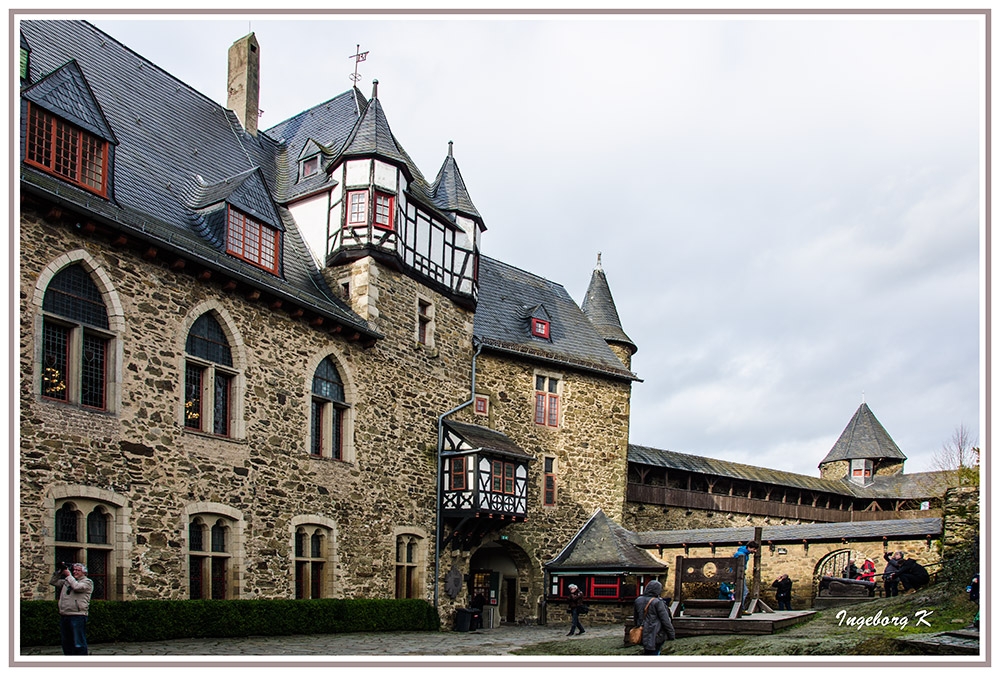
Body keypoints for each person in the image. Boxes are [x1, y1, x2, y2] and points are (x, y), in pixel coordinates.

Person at [49, 562, 94, 655]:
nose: (75, 572)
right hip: (65, 614)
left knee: (78, 642)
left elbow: (77, 587)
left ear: (84, 573)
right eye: (74, 570)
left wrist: (68, 575)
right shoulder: (67, 582)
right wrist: (59, 572)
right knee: (66, 642)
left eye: (78, 570)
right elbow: (53, 582)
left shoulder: (87, 582)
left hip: (78, 615)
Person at [633, 580, 675, 655]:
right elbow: (665, 620)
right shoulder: (657, 602)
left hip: (643, 632)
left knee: (647, 652)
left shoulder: (638, 600)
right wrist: (671, 634)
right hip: (656, 633)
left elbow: (636, 617)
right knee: (654, 653)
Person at [732, 541, 758, 606]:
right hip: (738, 575)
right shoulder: (740, 554)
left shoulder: (745, 554)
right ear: (749, 547)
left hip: (741, 574)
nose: (755, 551)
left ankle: (739, 606)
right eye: (754, 549)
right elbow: (733, 566)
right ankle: (740, 607)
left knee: (743, 591)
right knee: (743, 591)